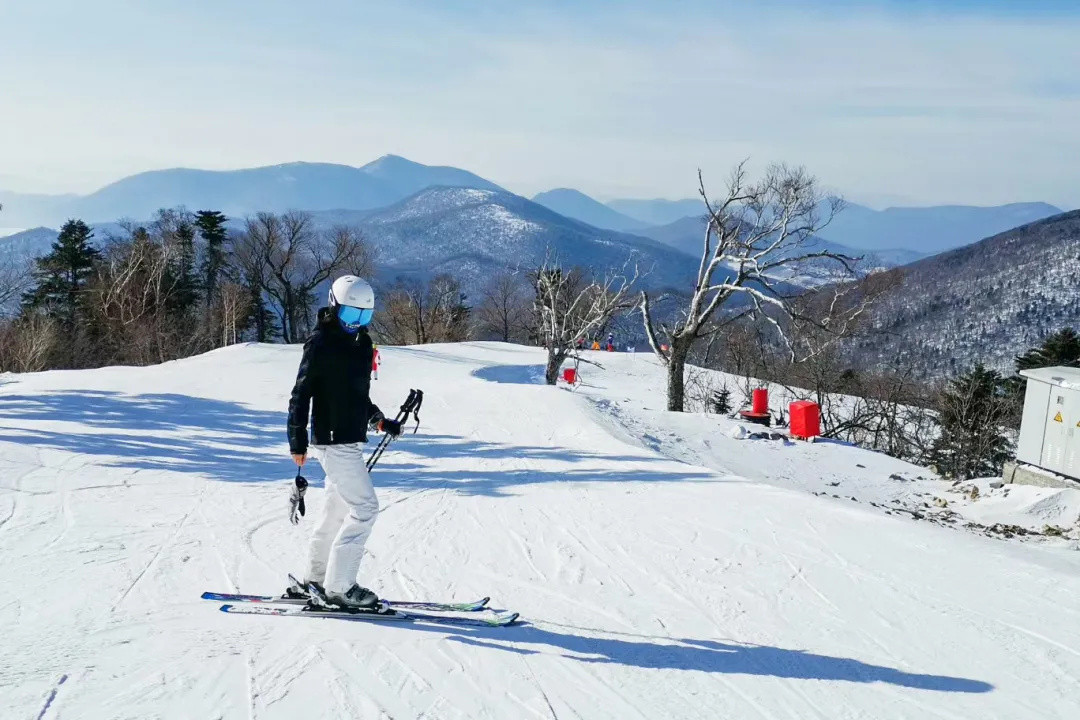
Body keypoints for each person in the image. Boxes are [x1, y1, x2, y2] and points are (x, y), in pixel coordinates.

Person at [286, 275, 402, 610]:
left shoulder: (361, 346)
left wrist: (378, 418)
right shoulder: (320, 343)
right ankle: (340, 587)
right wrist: (297, 439)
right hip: (333, 441)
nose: (356, 324)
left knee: (336, 513)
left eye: (364, 318)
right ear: (335, 307)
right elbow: (300, 395)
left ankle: (315, 579)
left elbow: (356, 395)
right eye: (351, 316)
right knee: (365, 508)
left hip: (350, 438)